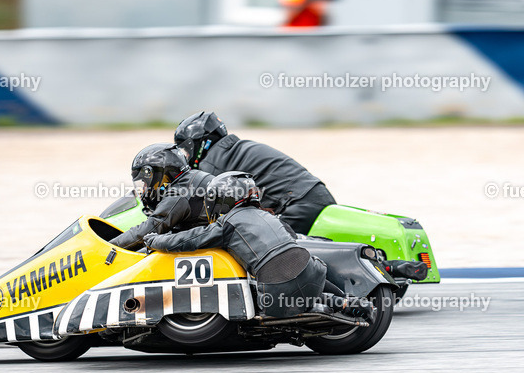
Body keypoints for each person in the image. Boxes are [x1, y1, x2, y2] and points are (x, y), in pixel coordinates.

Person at [144, 172, 346, 319]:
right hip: (311, 268)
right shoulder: (268, 215)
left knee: (257, 308)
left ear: (222, 198)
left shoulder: (228, 223)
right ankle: (346, 302)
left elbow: (188, 240)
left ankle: (318, 308)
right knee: (307, 284)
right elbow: (292, 238)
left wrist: (154, 240)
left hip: (277, 283)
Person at [173, 111, 336, 235]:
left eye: (185, 149)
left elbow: (196, 209)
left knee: (260, 251)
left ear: (198, 142)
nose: (185, 156)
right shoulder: (237, 149)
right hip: (315, 195)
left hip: (297, 205)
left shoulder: (211, 164)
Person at [108, 143, 214, 249]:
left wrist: (108, 246)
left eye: (145, 183)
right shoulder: (192, 178)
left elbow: (152, 226)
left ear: (159, 175)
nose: (144, 188)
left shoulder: (180, 192)